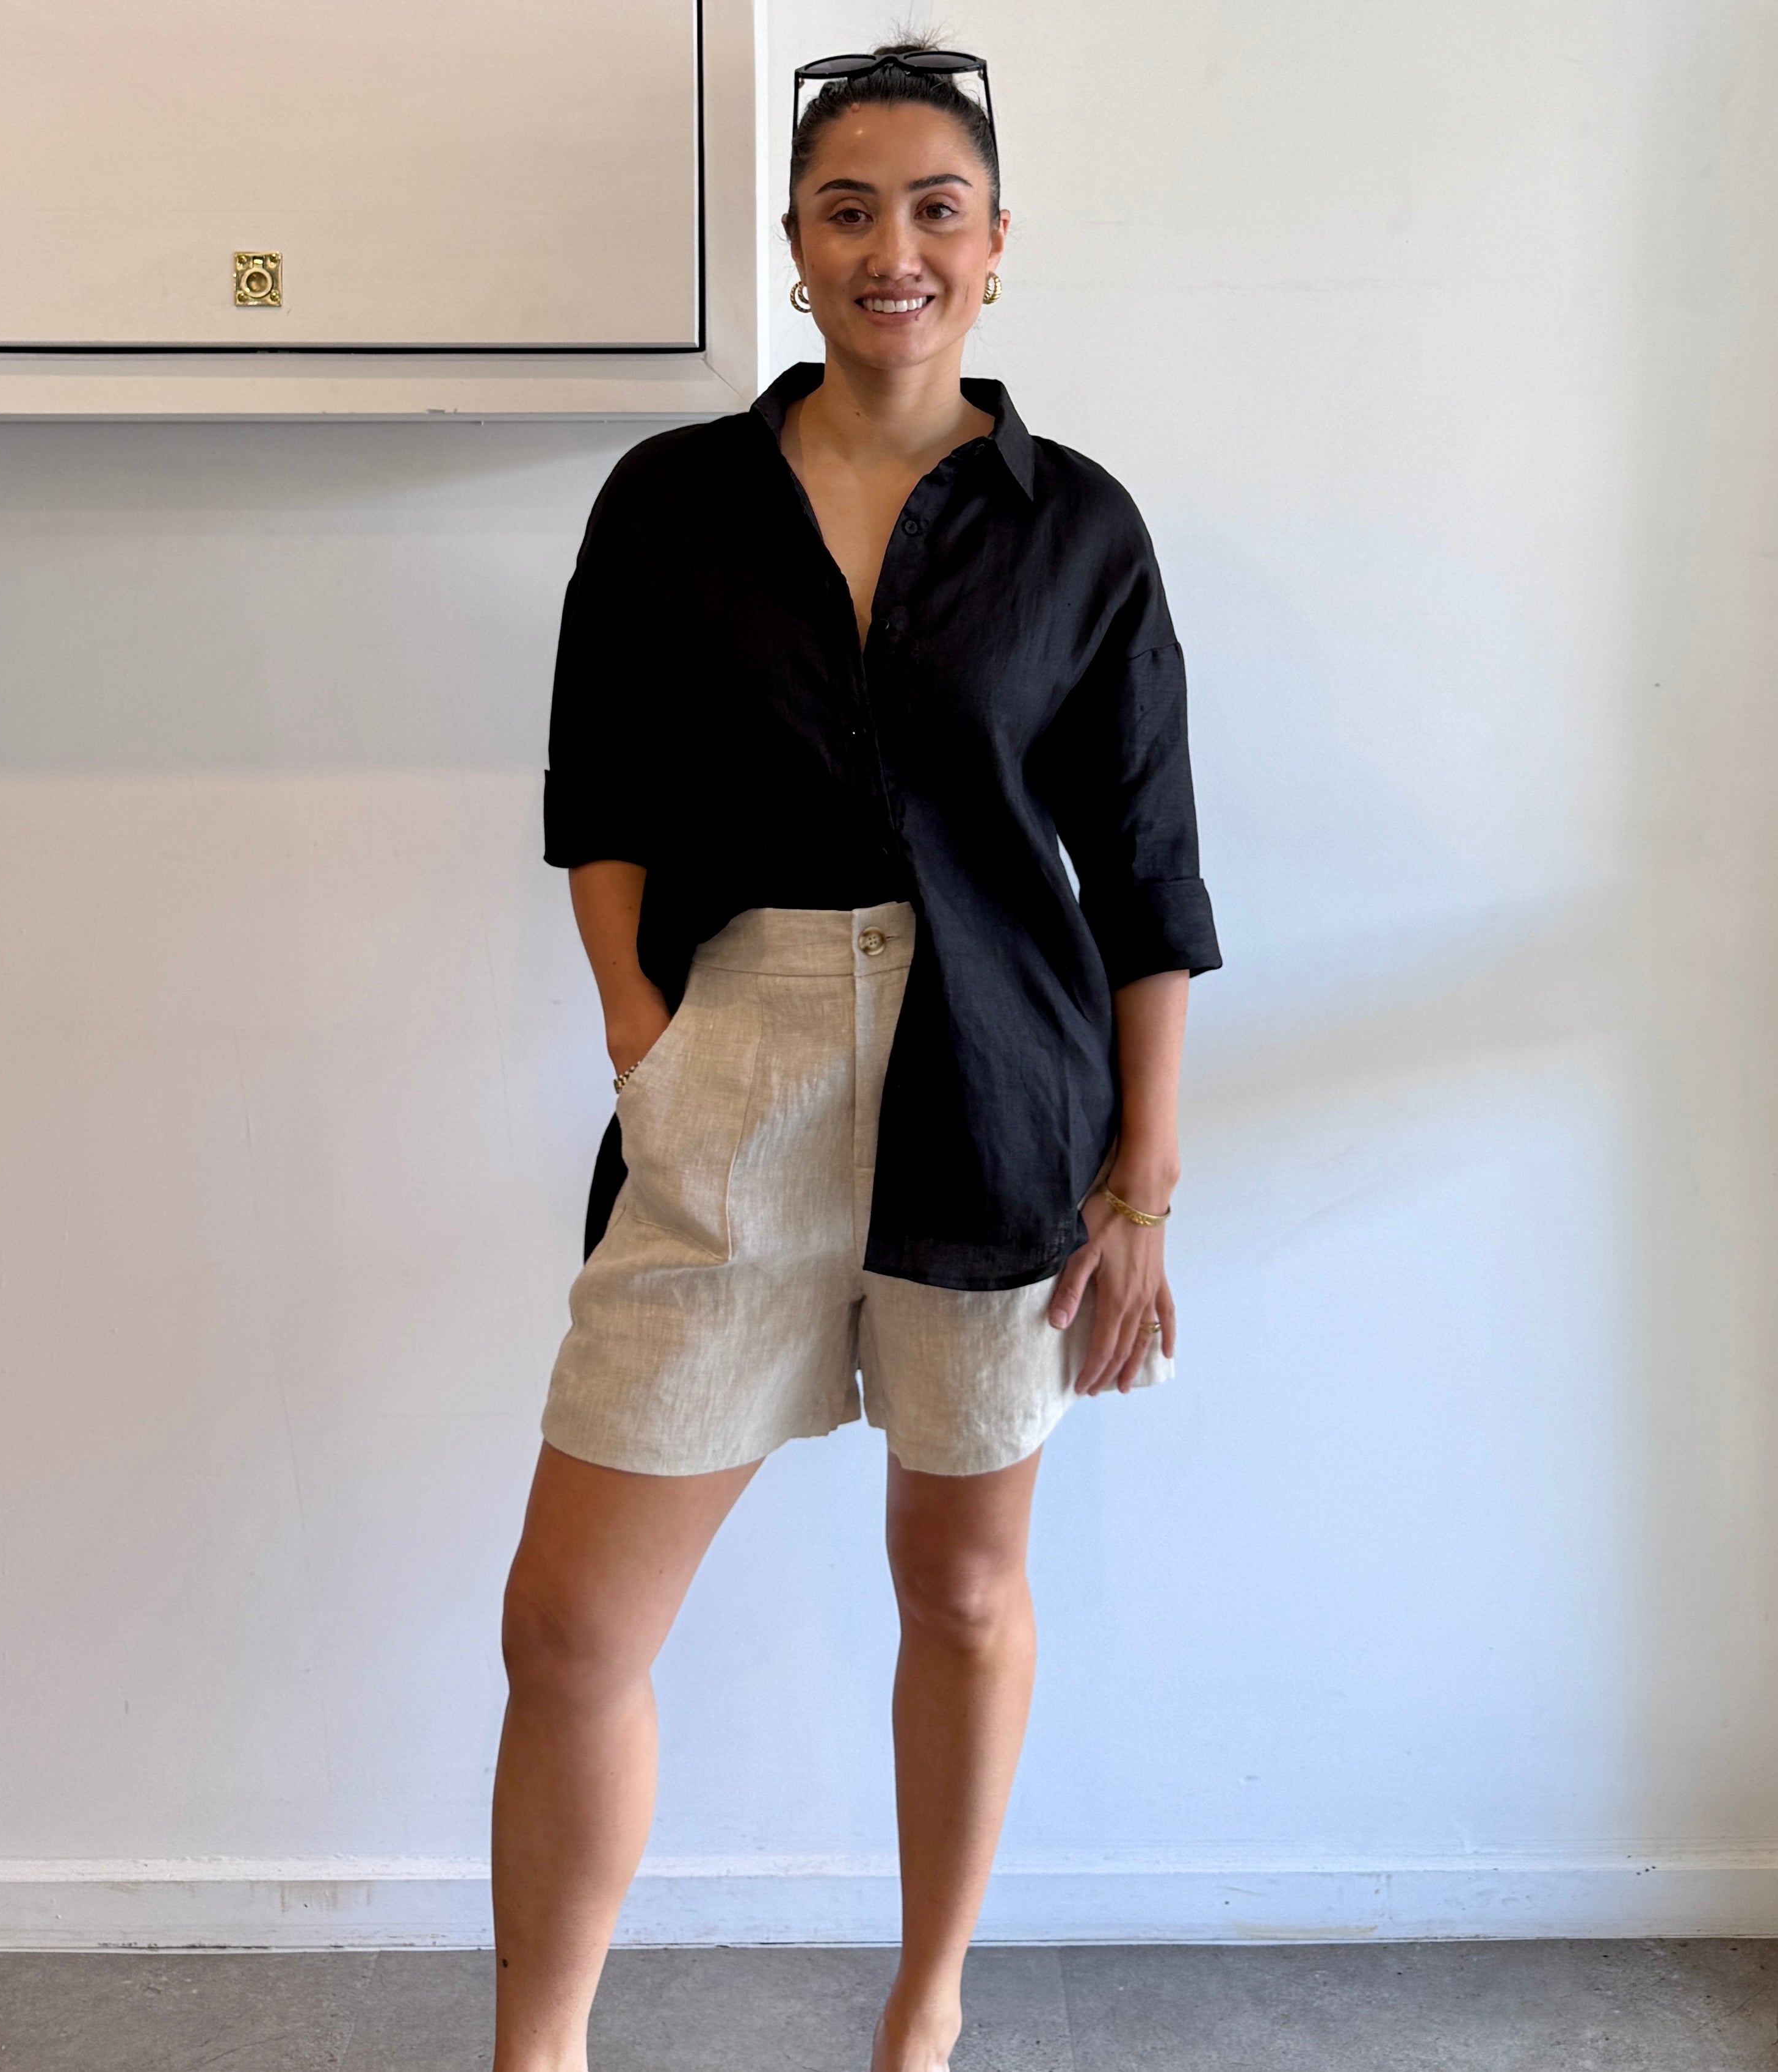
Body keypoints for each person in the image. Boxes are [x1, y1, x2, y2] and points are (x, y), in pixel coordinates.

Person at [489, 39, 1221, 2072]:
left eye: (934, 209)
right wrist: (652, 1043)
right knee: (567, 1626)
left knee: (962, 1588)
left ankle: (924, 2014)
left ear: (995, 251)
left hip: (1008, 1083)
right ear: (797, 254)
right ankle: (532, 2053)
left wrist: (1141, 1184)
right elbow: (599, 800)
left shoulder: (1078, 528)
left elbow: (1151, 877)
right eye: (847, 210)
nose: (893, 247)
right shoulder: (673, 504)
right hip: (742, 1054)